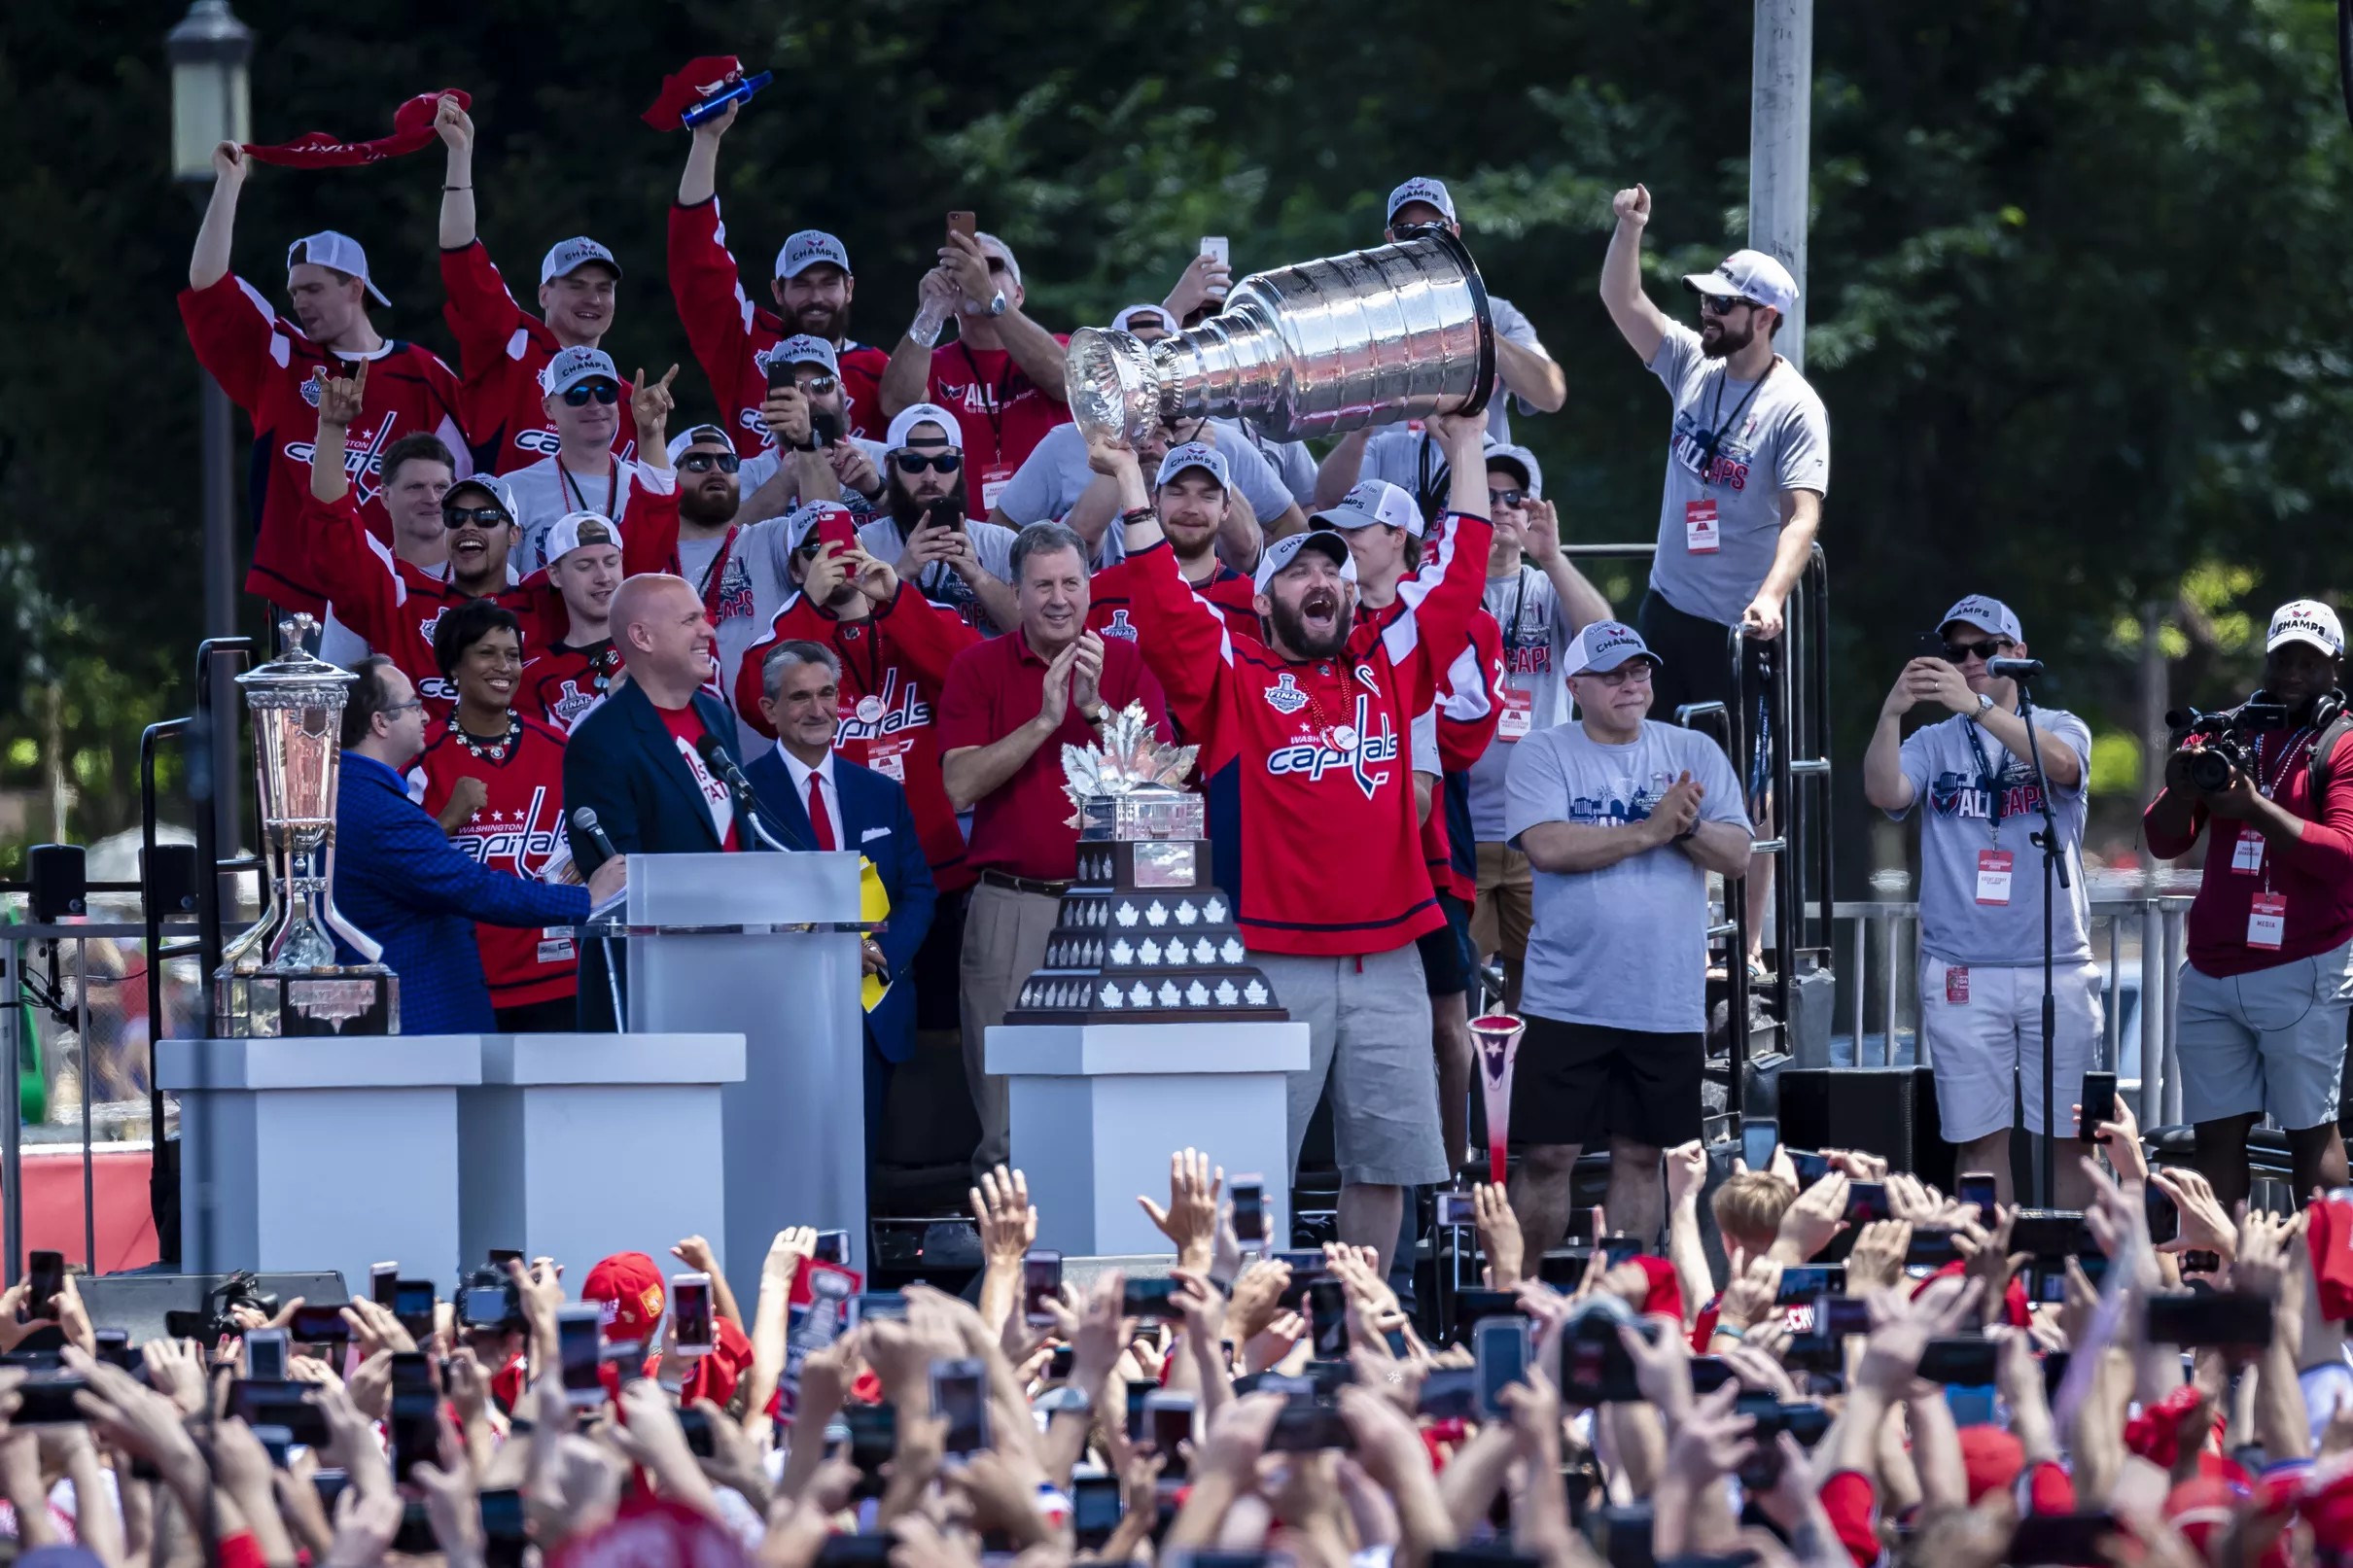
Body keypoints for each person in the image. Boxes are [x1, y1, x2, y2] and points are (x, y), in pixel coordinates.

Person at [1096, 409, 1493, 1275]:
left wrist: (1466, 449)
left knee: (1384, 1163)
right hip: (1269, 954)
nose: (1323, 578)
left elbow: (1459, 581)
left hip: (1389, 951)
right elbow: (1162, 607)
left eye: (1335, 569)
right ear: (1265, 595)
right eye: (1300, 567)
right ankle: (1247, 1328)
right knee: (1249, 1162)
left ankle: (1363, 1316)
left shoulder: (1387, 660)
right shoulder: (1233, 672)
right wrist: (1130, 481)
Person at [1600, 181, 1830, 976]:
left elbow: (1803, 515)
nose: (1708, 315)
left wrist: (1771, 596)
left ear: (1765, 318)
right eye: (1706, 302)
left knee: (1749, 782)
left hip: (1741, 628)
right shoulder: (1694, 369)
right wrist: (1630, 228)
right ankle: (1667, 923)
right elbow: (1622, 300)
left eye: (1725, 307)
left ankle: (1751, 944)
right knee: (1647, 759)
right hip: (1667, 610)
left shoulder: (1794, 407)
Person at [1502, 620, 1752, 1254]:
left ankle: (1628, 1303)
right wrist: (1650, 828)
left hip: (1663, 1001)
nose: (1630, 685)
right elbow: (1549, 845)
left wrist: (1681, 827)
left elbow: (1739, 852)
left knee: (1643, 1156)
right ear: (1576, 685)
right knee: (1548, 1154)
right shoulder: (1544, 750)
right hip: (1566, 998)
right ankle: (1520, 1295)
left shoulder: (1691, 748)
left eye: (1638, 670)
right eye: (1612, 675)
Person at [938, 522, 1170, 1175]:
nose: (1059, 598)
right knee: (1008, 1124)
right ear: (1015, 592)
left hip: (1114, 908)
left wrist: (1097, 713)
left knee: (1121, 1104)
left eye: (1071, 582)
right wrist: (1043, 721)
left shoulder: (1126, 665)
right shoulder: (977, 666)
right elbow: (958, 786)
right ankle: (1014, 1269)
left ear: (1092, 587)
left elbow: (1159, 793)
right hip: (1015, 907)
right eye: (1042, 585)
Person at [1864, 595, 2097, 1208]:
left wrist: (1979, 707)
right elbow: (1884, 789)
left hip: (2056, 967)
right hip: (1962, 968)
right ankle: (1991, 1282)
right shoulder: (1937, 741)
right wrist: (1891, 713)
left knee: (2070, 1140)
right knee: (1977, 1143)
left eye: (1984, 650)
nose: (1967, 661)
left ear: (2017, 655)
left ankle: (2076, 1278)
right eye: (1955, 651)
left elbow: (2065, 767)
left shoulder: (2061, 725)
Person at [180, 141, 469, 619]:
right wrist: (228, 185)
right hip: (303, 599)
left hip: (403, 594)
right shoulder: (282, 356)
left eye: (313, 289)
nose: (300, 302)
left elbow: (467, 482)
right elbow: (208, 284)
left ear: (356, 288)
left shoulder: (423, 374)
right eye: (294, 292)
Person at [2145, 599, 2353, 1207]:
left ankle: (2323, 1288)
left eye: (2308, 661)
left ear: (2333, 669)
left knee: (2309, 1134)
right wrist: (2183, 789)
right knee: (2214, 1139)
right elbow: (2163, 841)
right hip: (2211, 969)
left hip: (2302, 965)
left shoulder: (2340, 744)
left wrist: (2255, 808)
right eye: (2282, 657)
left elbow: (2343, 856)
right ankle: (2220, 1282)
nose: (2292, 672)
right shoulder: (2227, 728)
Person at [334, 654, 620, 1034]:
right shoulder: (379, 809)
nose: (424, 715)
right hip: (416, 1025)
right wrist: (586, 899)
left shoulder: (354, 793)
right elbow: (471, 886)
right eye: (413, 705)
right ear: (380, 722)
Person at [745, 640, 938, 1159]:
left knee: (863, 1162)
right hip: (785, 1011)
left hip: (871, 1005)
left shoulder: (880, 792)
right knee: (790, 1158)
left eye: (827, 693)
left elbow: (918, 891)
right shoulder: (744, 796)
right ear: (770, 710)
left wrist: (882, 955)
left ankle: (863, 1246)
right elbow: (747, 898)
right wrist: (827, 953)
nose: (817, 710)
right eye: (799, 697)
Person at [1468, 444, 1612, 1011]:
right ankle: (1466, 1102)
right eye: (1488, 496)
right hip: (1464, 828)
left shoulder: (1549, 588)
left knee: (1543, 996)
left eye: (1514, 498)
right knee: (1456, 998)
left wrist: (1551, 557)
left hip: (1541, 829)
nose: (1502, 508)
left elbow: (1606, 645)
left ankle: (1527, 1101)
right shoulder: (1443, 589)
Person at [432, 95, 635, 474]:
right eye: (576, 285)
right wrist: (460, 155)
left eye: (604, 288)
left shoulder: (619, 395)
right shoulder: (511, 340)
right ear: (544, 293)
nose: (592, 298)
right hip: (498, 530)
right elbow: (460, 253)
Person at [404, 600, 582, 1033]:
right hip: (465, 979)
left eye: (513, 654)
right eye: (487, 653)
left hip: (557, 979)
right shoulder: (423, 757)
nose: (504, 666)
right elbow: (400, 867)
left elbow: (599, 837)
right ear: (453, 666)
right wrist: (448, 819)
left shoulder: (559, 747)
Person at [670, 102, 890, 449]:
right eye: (801, 283)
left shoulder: (877, 368)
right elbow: (696, 262)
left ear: (849, 288)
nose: (816, 298)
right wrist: (706, 139)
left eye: (828, 283)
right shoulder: (746, 342)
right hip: (758, 501)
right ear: (777, 290)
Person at [563, 574, 758, 868]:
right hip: (671, 915)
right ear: (642, 637)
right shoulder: (599, 742)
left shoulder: (717, 715)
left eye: (703, 617)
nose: (709, 631)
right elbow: (616, 878)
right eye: (689, 620)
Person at [878, 225, 1071, 512]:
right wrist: (928, 312)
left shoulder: (1058, 347)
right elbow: (896, 405)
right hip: (963, 541)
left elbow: (1063, 381)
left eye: (990, 266)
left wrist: (990, 298)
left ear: (1018, 294)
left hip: (1049, 543)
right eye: (962, 267)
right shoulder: (935, 364)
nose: (976, 273)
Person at [662, 422, 804, 749]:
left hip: (771, 749)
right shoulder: (652, 558)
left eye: (727, 463)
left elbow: (824, 522)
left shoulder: (771, 538)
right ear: (670, 477)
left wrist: (808, 448)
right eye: (698, 462)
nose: (716, 469)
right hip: (686, 749)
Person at [504, 351, 680, 573]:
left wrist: (651, 434)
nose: (595, 405)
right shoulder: (514, 490)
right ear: (547, 407)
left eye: (605, 393)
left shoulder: (648, 488)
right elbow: (501, 586)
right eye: (577, 395)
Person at [856, 403, 1021, 635]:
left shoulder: (1000, 542)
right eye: (913, 463)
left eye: (945, 463)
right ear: (889, 466)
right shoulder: (865, 544)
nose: (930, 477)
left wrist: (977, 576)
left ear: (961, 465)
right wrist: (900, 574)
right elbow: (853, 637)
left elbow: (1032, 633)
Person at [1083, 443, 1262, 649]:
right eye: (1177, 493)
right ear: (1155, 500)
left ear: (1226, 509)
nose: (1191, 508)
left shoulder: (1250, 604)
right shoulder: (1100, 592)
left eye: (1207, 496)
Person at [732, 335, 890, 522]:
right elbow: (726, 541)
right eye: (796, 389)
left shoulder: (884, 459)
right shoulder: (751, 472)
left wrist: (878, 491)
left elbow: (920, 526)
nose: (809, 400)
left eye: (822, 385)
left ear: (843, 392)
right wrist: (783, 484)